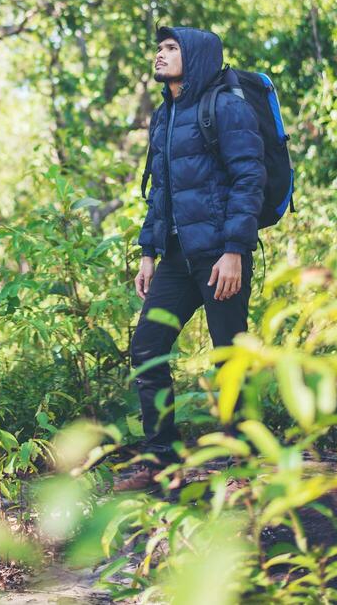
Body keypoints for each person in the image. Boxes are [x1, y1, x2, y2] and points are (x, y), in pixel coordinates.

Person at [114, 25, 266, 492]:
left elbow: (249, 178)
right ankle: (162, 460)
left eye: (171, 48)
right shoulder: (165, 116)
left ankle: (243, 465)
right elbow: (159, 191)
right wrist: (147, 253)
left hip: (220, 256)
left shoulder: (227, 106)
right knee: (146, 347)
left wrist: (235, 251)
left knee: (229, 358)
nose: (160, 55)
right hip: (178, 259)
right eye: (159, 48)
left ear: (195, 57)